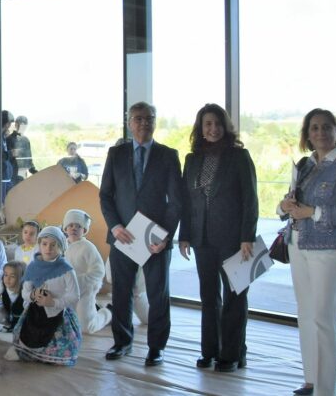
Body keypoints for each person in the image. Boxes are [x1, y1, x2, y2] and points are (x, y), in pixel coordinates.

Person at [279, 109, 336, 396]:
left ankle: (326, 390)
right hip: (298, 245)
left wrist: (313, 212)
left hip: (329, 249)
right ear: (307, 135)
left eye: (326, 127)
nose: (320, 132)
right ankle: (311, 381)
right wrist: (286, 206)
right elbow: (294, 203)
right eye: (314, 128)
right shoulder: (305, 165)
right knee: (305, 315)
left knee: (324, 319)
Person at [99, 101, 182, 367]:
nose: (143, 123)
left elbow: (176, 201)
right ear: (129, 122)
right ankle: (122, 342)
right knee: (121, 292)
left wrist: (164, 235)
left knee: (159, 294)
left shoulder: (168, 155)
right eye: (138, 119)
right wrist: (115, 226)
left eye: (149, 118)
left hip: (155, 239)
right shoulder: (116, 153)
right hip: (123, 235)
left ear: (155, 122)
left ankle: (156, 347)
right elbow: (105, 195)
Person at [178, 104, 258, 373]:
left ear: (225, 127)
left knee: (235, 296)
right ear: (200, 128)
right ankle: (209, 351)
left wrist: (247, 236)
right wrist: (185, 235)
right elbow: (186, 201)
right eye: (207, 124)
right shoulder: (192, 159)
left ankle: (232, 354)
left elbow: (250, 200)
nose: (212, 129)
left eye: (217, 124)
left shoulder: (239, 156)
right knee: (209, 297)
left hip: (235, 240)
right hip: (202, 240)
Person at [5, 226, 81, 366]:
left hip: (57, 312)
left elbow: (74, 296)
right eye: (44, 244)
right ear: (39, 245)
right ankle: (28, 351)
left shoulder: (66, 270)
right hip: (35, 312)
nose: (48, 248)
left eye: (54, 245)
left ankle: (50, 355)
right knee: (26, 335)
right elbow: (25, 292)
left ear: (61, 247)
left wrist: (53, 302)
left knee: (57, 342)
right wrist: (33, 295)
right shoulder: (33, 266)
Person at [62, 209, 111, 335]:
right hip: (67, 291)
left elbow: (99, 271)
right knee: (64, 323)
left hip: (85, 291)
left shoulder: (88, 247)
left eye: (78, 226)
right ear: (65, 228)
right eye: (71, 225)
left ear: (84, 230)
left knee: (86, 327)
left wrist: (82, 283)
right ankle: (94, 308)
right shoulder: (62, 247)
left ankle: (108, 313)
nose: (74, 228)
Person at [0, 261, 26, 332]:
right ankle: (7, 325)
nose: (8, 279)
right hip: (8, 311)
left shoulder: (24, 290)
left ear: (20, 278)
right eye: (5, 275)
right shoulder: (3, 285)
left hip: (21, 316)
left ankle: (15, 328)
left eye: (12, 276)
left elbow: (28, 310)